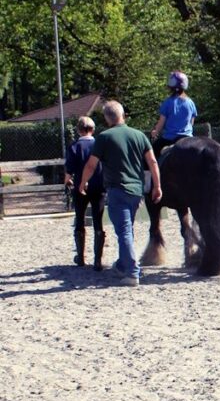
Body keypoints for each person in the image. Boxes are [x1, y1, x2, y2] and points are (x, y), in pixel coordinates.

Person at [79, 101, 162, 287]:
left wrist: (83, 182)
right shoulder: (139, 135)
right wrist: (157, 186)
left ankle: (132, 273)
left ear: (107, 118)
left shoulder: (105, 137)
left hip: (117, 189)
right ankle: (122, 264)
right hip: (137, 191)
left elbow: (91, 164)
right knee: (128, 229)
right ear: (123, 115)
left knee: (124, 231)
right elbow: (153, 162)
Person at [64, 116, 106, 270]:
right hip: (99, 186)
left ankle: (81, 257)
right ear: (93, 129)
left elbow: (70, 167)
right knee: (98, 220)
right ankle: (98, 260)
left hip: (80, 187)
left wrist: (67, 179)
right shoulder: (100, 145)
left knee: (80, 218)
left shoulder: (74, 146)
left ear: (78, 130)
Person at [151, 70, 198, 156]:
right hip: (188, 139)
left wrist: (155, 131)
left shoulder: (167, 103)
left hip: (169, 139)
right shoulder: (191, 103)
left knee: (150, 155)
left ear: (170, 87)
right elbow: (191, 123)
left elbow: (161, 122)